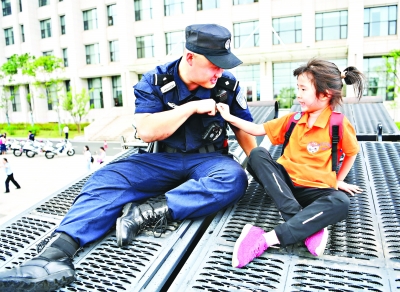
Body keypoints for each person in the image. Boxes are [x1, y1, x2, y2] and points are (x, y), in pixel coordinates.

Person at [0, 23, 256, 291]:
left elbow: (243, 129)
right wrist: (191, 107)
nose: (221, 71)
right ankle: (53, 257)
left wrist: (264, 168)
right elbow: (146, 132)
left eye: (223, 64)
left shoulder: (227, 85)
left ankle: (147, 214)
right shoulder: (156, 81)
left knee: (234, 177)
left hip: (209, 161)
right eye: (214, 64)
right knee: (106, 179)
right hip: (159, 160)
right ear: (190, 57)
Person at [216, 59, 365, 268]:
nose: (298, 94)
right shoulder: (293, 119)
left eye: (303, 89)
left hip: (316, 188)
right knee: (257, 154)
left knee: (341, 202)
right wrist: (229, 116)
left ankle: (265, 239)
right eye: (298, 88)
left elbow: (352, 152)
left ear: (325, 94)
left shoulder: (338, 124)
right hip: (283, 183)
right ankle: (305, 225)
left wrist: (338, 181)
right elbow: (257, 130)